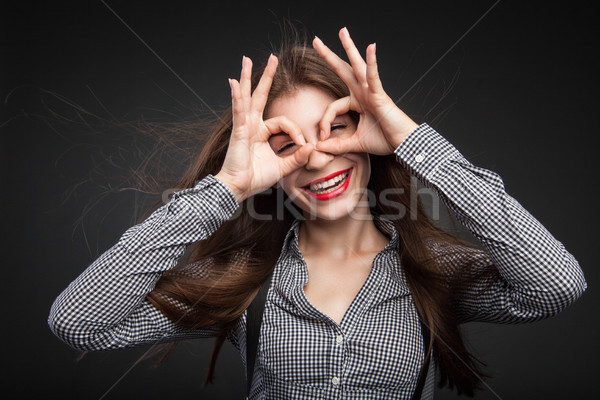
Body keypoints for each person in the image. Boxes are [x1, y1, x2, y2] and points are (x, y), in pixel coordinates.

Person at [48, 26, 587, 399]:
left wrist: (412, 141)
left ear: (369, 137)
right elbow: (78, 323)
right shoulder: (245, 283)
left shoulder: (434, 273)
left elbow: (557, 285)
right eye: (287, 146)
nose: (315, 157)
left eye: (336, 129)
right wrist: (226, 187)